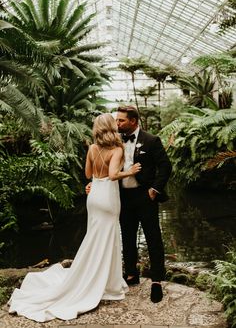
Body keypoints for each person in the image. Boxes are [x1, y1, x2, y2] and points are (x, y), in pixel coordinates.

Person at [8, 113, 141, 322]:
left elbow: (88, 175)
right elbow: (114, 174)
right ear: (110, 128)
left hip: (95, 194)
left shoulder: (92, 149)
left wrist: (98, 177)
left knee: (95, 236)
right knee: (108, 238)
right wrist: (130, 171)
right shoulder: (117, 149)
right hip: (108, 197)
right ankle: (109, 284)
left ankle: (97, 277)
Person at [116, 105, 172, 303]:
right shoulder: (116, 140)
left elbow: (165, 166)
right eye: (117, 120)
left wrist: (155, 189)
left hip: (145, 196)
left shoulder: (151, 140)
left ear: (133, 121)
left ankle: (157, 280)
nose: (117, 123)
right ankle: (131, 274)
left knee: (153, 237)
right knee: (128, 236)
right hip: (123, 197)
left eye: (121, 120)